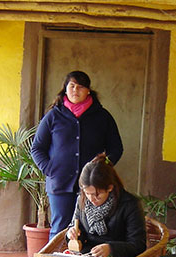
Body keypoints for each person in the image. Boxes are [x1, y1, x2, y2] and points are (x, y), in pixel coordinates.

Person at [32, 71, 124, 239]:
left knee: (92, 227)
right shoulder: (54, 115)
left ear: (88, 90)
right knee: (60, 228)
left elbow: (116, 148)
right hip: (60, 182)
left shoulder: (102, 117)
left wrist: (103, 170)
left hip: (92, 184)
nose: (76, 90)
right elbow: (37, 148)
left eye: (80, 86)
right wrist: (50, 169)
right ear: (65, 89)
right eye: (72, 86)